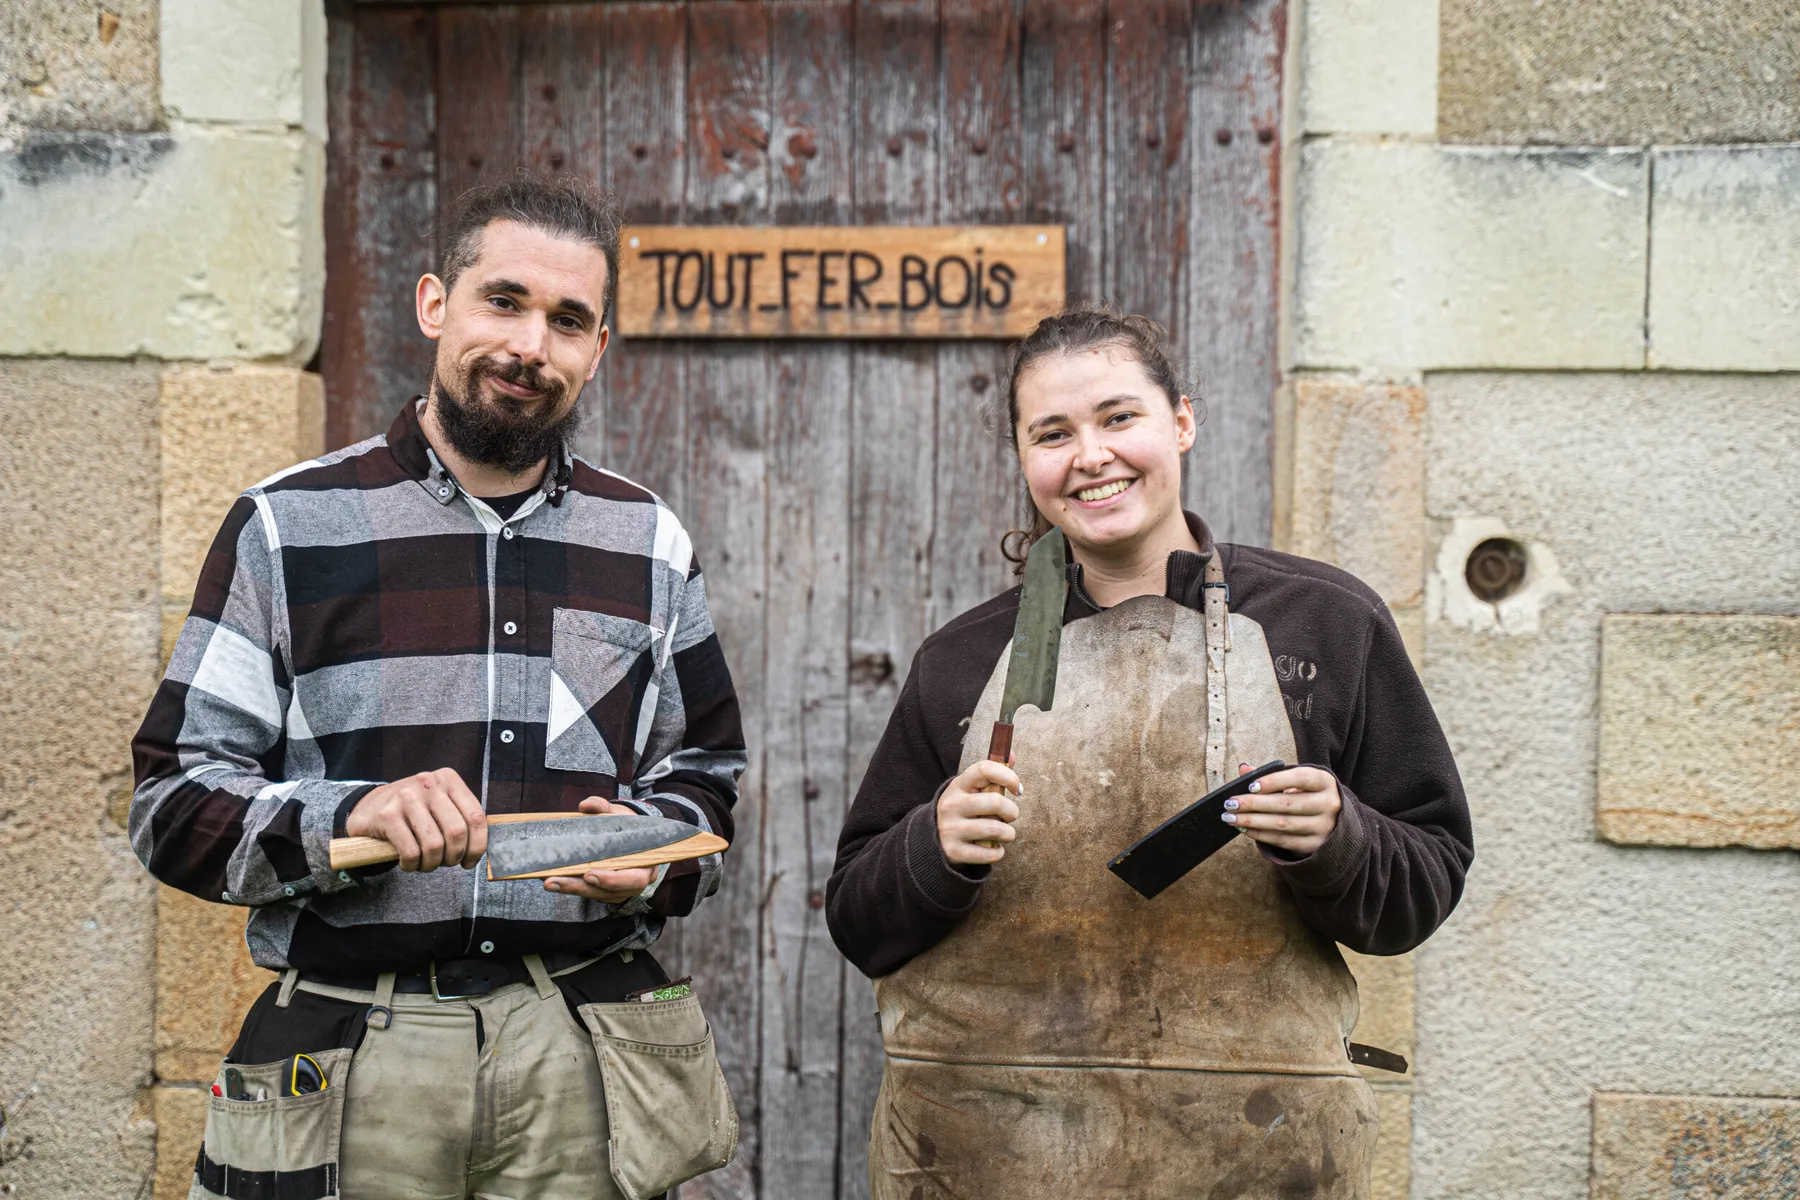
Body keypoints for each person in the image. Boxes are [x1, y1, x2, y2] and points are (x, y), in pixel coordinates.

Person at [131, 177, 744, 1200]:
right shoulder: (287, 527)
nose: (528, 346)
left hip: (581, 1054)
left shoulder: (646, 541)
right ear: (434, 305)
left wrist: (648, 863)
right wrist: (348, 817)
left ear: (598, 352)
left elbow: (705, 779)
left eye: (567, 321)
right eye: (502, 302)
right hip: (353, 1052)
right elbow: (170, 801)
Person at [827, 307, 1474, 1197]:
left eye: (1118, 417)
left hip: (1257, 1154)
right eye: (1052, 433)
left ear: (1182, 422)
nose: (1090, 455)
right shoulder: (966, 659)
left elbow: (1424, 885)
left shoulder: (1327, 623)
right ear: (1024, 459)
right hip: (989, 1153)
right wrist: (930, 848)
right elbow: (859, 922)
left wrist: (1341, 838)